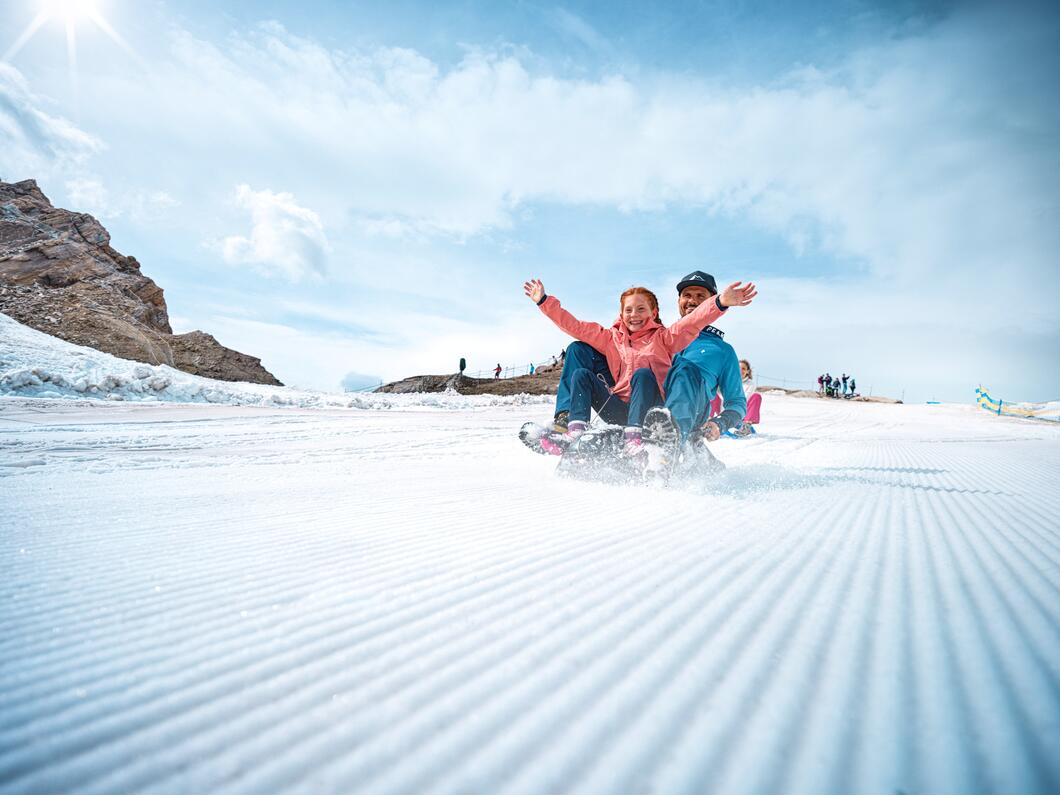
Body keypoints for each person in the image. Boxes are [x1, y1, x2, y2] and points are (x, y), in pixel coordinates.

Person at [521, 275, 756, 455]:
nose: (692, 301)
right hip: (628, 406)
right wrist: (544, 301)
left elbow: (694, 323)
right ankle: (570, 427)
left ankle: (667, 438)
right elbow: (575, 326)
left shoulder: (685, 340)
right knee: (578, 351)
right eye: (687, 296)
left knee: (668, 370)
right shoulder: (619, 337)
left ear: (653, 312)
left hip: (676, 410)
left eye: (700, 297)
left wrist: (721, 303)